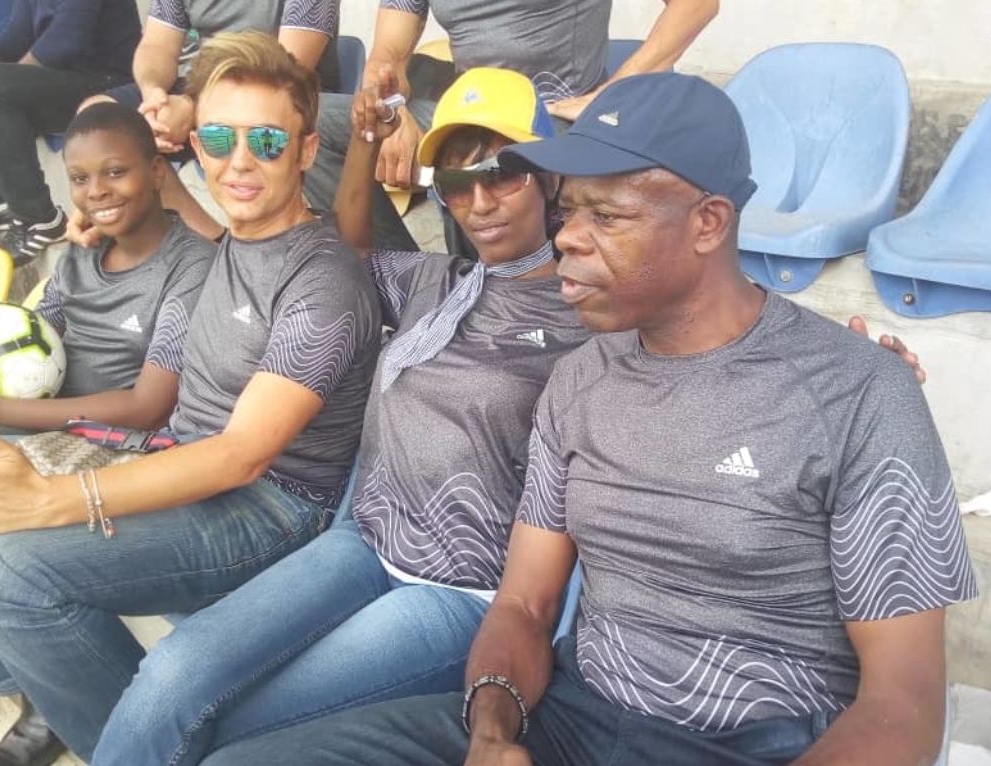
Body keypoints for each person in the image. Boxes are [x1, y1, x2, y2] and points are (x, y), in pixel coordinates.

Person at [95, 68, 930, 766]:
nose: (569, 237)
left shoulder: (844, 388)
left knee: (215, 715)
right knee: (209, 716)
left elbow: (903, 702)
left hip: (723, 724)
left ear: (708, 221)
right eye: (457, 184)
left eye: (602, 214)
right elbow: (526, 609)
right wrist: (494, 726)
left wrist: (845, 366)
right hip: (523, 671)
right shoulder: (530, 342)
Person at [90, 65, 591, 766]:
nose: (479, 201)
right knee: (175, 672)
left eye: (502, 174)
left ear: (548, 177)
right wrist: (365, 141)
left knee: (228, 729)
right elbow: (350, 252)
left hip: (458, 586)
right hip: (361, 540)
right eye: (456, 182)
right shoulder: (434, 281)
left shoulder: (586, 316)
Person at [0, 30, 380, 762]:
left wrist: (53, 501)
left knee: (15, 575)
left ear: (305, 151)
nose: (240, 162)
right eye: (220, 139)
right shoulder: (234, 238)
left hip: (272, 507)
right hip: (182, 463)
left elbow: (242, 456)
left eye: (267, 141)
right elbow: (159, 190)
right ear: (196, 148)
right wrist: (103, 214)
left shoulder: (322, 280)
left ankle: (134, 748)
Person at [305, 0, 720, 253]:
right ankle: (415, 282)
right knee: (314, 125)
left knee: (484, 160)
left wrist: (612, 95)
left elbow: (698, 5)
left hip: (553, 118)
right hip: (468, 115)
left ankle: (498, 296)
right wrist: (391, 108)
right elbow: (388, 52)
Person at [0, 102, 215, 435]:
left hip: (118, 442)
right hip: (43, 422)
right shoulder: (83, 250)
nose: (96, 191)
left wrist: (1, 410)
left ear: (157, 172)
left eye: (115, 172)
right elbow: (35, 332)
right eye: (80, 178)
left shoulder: (192, 266)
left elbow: (148, 409)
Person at [76, 0, 342, 241]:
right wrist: (154, 98)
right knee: (100, 122)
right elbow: (156, 46)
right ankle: (211, 242)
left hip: (280, 94)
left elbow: (289, 65)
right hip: (203, 84)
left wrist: (193, 107)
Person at [0, 0, 141, 265]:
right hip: (64, 79)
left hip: (108, 83)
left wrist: (12, 79)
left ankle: (37, 218)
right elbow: (16, 35)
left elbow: (66, 41)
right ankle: (1, 200)